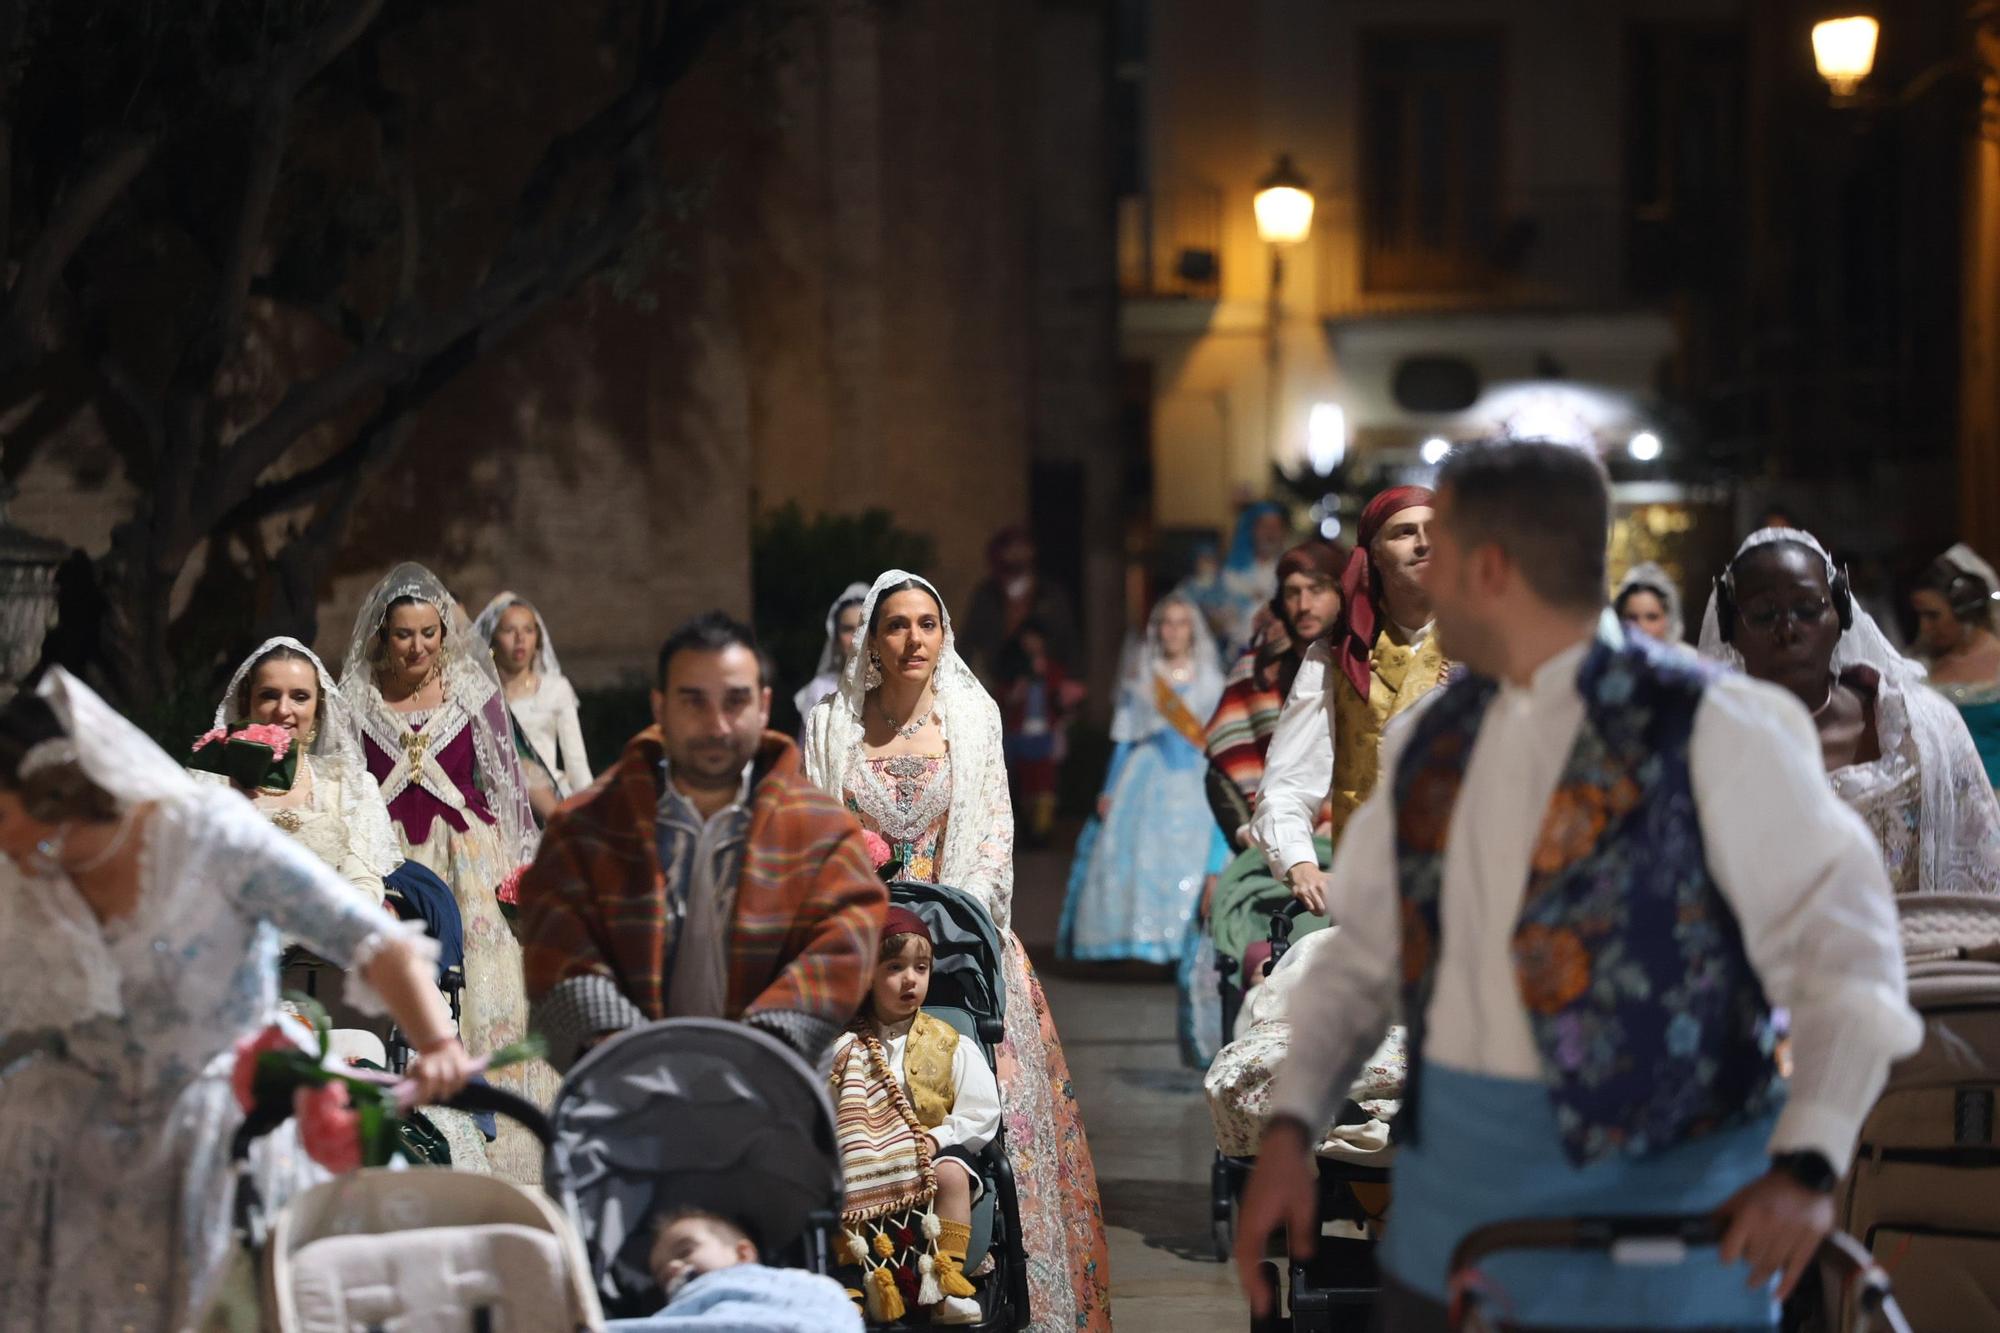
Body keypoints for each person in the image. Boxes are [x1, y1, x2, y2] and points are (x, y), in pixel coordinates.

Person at [1236, 441, 1922, 1329]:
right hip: (1469, 1227)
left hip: (1683, 1225)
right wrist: (1294, 1128)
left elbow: (1854, 966)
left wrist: (1809, 1165)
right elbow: (1366, 959)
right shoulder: (1428, 747)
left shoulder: (1723, 730)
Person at [0, 669, 472, 1331]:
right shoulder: (29, 872)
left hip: (223, 1117)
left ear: (49, 791)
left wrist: (438, 1045)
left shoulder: (208, 835)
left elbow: (372, 939)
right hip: (81, 1123)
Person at [803, 571, 1111, 1333]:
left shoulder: (974, 717)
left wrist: (938, 927)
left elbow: (986, 840)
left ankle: (981, 1274)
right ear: (871, 638)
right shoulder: (830, 724)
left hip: (955, 942)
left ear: (945, 635)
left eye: (928, 624)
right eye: (897, 625)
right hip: (857, 942)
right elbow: (816, 838)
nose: (914, 639)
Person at [519, 612, 888, 1069]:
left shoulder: (821, 831)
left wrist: (760, 1046)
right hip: (624, 1101)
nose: (716, 726)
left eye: (735, 702)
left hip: (773, 1096)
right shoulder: (586, 827)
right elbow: (560, 952)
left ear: (764, 706)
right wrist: (632, 1054)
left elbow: (842, 945)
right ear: (659, 708)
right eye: (693, 702)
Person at [338, 561, 554, 1182]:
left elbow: (510, 789)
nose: (417, 646)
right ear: (384, 635)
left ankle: (495, 1138)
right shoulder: (355, 699)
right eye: (404, 634)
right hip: (392, 861)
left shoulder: (474, 694)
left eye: (429, 633)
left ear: (443, 632)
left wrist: (523, 871)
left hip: (469, 857)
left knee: (483, 992)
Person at [1697, 529, 2000, 897]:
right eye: (1763, 615)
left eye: (1808, 609)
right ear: (1730, 628)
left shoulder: (1921, 728)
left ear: (1839, 613)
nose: (1788, 631)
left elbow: (1983, 877)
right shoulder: (1703, 749)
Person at [1250, 486, 1449, 915]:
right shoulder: (1336, 657)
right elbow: (1286, 786)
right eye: (1404, 533)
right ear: (1373, 554)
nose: (1424, 544)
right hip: (1369, 892)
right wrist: (1300, 865)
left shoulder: (1488, 647)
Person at [829, 906, 1000, 1325]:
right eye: (895, 967)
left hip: (928, 1152)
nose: (911, 979)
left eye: (921, 968)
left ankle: (945, 1284)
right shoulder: (841, 1046)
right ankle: (847, 1285)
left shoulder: (948, 1042)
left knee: (952, 1174)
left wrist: (937, 1138)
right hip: (861, 1154)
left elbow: (982, 1111)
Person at [1058, 593, 1225, 962]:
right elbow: (1124, 737)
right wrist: (1109, 788)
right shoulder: (1143, 679)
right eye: (1167, 622)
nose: (1173, 631)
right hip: (1147, 775)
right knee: (1141, 855)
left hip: (1195, 776)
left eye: (1181, 623)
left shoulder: (1212, 681)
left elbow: (1217, 736)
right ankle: (1143, 939)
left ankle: (1184, 941)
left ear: (1192, 630)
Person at [1205, 540, 1348, 813]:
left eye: (1316, 591)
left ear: (1341, 593)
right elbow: (1223, 767)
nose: (1304, 605)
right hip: (1268, 829)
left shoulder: (1363, 664)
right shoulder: (1256, 670)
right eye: (1293, 593)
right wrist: (1244, 830)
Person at [606, 1209, 863, 1332]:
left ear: (742, 1253)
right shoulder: (679, 1311)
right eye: (661, 1275)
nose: (672, 1267)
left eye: (685, 1252)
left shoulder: (797, 1285)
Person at [473, 592, 593, 819]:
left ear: (538, 638)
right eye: (509, 631)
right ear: (493, 639)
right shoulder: (480, 695)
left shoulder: (555, 689)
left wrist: (591, 814)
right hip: (497, 803)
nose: (520, 639)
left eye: (528, 630)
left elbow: (577, 764)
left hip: (549, 799)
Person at [1912, 544, 2000, 792]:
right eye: (1919, 615)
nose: (1925, 627)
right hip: (1941, 800)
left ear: (1964, 609)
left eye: (1933, 616)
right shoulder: (1920, 666)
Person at [995, 619, 1084, 846]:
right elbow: (1003, 698)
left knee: (1045, 783)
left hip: (1046, 733)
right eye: (1028, 639)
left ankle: (1042, 832)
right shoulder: (1013, 668)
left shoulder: (1053, 669)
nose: (1032, 643)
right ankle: (1026, 831)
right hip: (1019, 733)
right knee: (1024, 782)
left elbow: (1062, 699)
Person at [957, 527, 1080, 688]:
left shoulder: (1050, 593)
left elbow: (1068, 637)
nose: (1017, 554)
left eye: (1022, 547)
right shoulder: (987, 594)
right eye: (1011, 548)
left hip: (1048, 681)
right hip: (998, 681)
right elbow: (968, 639)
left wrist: (1075, 678)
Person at [1209, 502, 1291, 660]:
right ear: (1251, 530)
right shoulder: (1230, 574)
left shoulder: (1289, 571)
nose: (1270, 533)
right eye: (1265, 526)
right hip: (1233, 656)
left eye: (1276, 526)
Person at [794, 583, 871, 728]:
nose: (856, 637)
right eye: (848, 629)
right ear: (835, 638)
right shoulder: (820, 690)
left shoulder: (893, 686)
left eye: (863, 627)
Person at [1613, 562, 1692, 651]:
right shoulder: (1606, 662)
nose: (1641, 627)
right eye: (1632, 618)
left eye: (1652, 617)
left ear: (1669, 618)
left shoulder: (1691, 661)